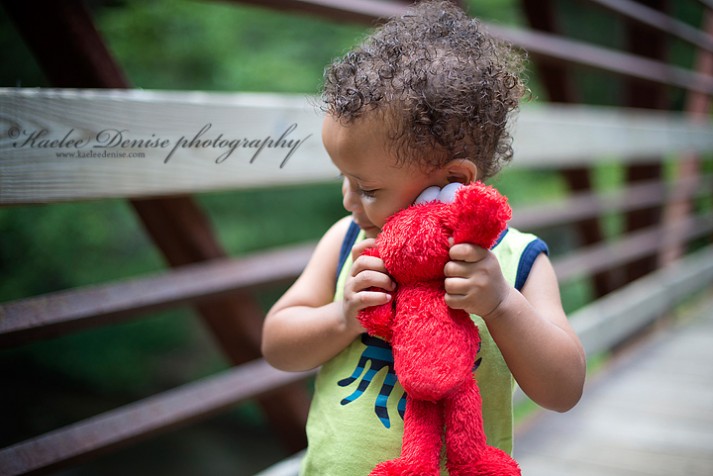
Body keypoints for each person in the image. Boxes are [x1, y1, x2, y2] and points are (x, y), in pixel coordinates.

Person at [261, 1, 586, 474]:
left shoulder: (519, 261)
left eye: (368, 188)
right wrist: (344, 316)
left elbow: (564, 389)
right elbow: (276, 345)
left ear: (453, 179)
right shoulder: (347, 240)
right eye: (344, 179)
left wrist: (501, 305)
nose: (349, 201)